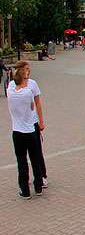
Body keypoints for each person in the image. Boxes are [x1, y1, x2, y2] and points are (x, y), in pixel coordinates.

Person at [7, 61, 46, 198]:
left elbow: (15, 86)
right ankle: (39, 186)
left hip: (17, 132)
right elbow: (32, 106)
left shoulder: (10, 89)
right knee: (35, 159)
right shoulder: (29, 91)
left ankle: (24, 190)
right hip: (30, 131)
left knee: (21, 161)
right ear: (23, 73)